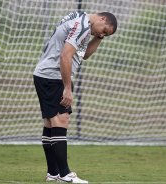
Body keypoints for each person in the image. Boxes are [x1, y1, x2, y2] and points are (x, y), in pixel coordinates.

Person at [33, 11, 117, 184]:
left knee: (50, 123)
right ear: (101, 18)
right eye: (104, 30)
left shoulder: (80, 19)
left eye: (105, 35)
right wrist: (67, 88)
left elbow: (84, 54)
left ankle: (53, 173)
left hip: (45, 74)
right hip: (53, 76)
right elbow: (65, 55)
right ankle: (64, 174)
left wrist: (100, 37)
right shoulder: (83, 26)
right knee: (61, 121)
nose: (102, 34)